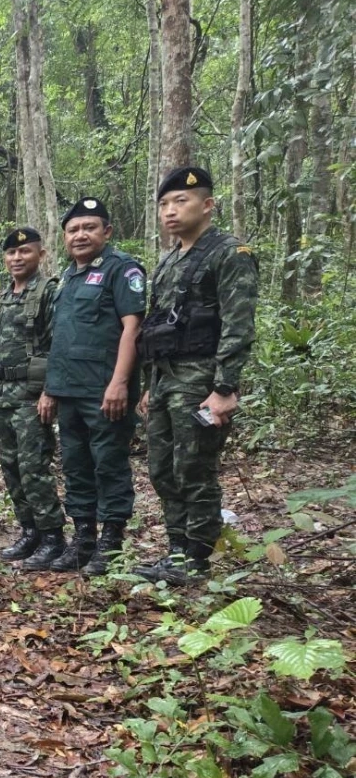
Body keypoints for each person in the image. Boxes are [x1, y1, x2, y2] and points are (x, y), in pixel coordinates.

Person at [138, 166, 259, 584]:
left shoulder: (229, 253)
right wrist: (148, 386)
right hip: (165, 378)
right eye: (164, 204)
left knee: (194, 468)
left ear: (207, 205)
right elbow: (157, 326)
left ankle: (196, 558)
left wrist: (225, 387)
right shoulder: (169, 260)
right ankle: (176, 551)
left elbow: (238, 324)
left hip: (202, 378)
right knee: (162, 469)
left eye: (181, 202)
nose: (170, 211)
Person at [40, 198, 146, 575]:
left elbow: (132, 328)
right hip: (68, 391)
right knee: (76, 466)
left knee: (109, 465)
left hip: (104, 391)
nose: (80, 235)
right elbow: (62, 339)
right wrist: (50, 388)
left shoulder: (123, 270)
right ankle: (83, 539)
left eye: (89, 227)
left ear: (107, 231)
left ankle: (111, 543)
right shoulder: (67, 278)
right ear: (64, 237)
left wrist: (119, 383)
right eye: (73, 230)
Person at [0, 228, 66, 570]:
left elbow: (57, 346)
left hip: (33, 395)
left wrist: (50, 392)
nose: (17, 258)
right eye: (11, 253)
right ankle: (29, 530)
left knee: (34, 465)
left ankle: (52, 536)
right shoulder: (3, 296)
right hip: (5, 394)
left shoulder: (49, 292)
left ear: (41, 254)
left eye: (24, 251)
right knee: (11, 466)